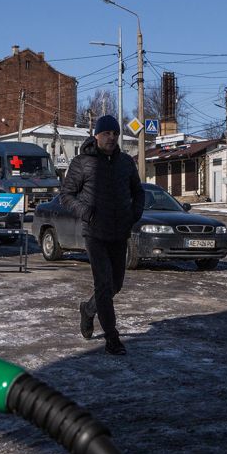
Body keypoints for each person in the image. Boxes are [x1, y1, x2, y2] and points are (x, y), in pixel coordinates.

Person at [60, 115, 145, 355]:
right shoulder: (82, 162)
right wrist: (85, 211)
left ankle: (87, 310)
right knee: (103, 283)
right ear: (96, 135)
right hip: (95, 232)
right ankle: (112, 338)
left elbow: (138, 192)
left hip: (120, 232)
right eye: (107, 133)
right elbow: (66, 195)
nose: (111, 137)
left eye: (115, 134)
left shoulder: (126, 162)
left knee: (115, 285)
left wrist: (135, 213)